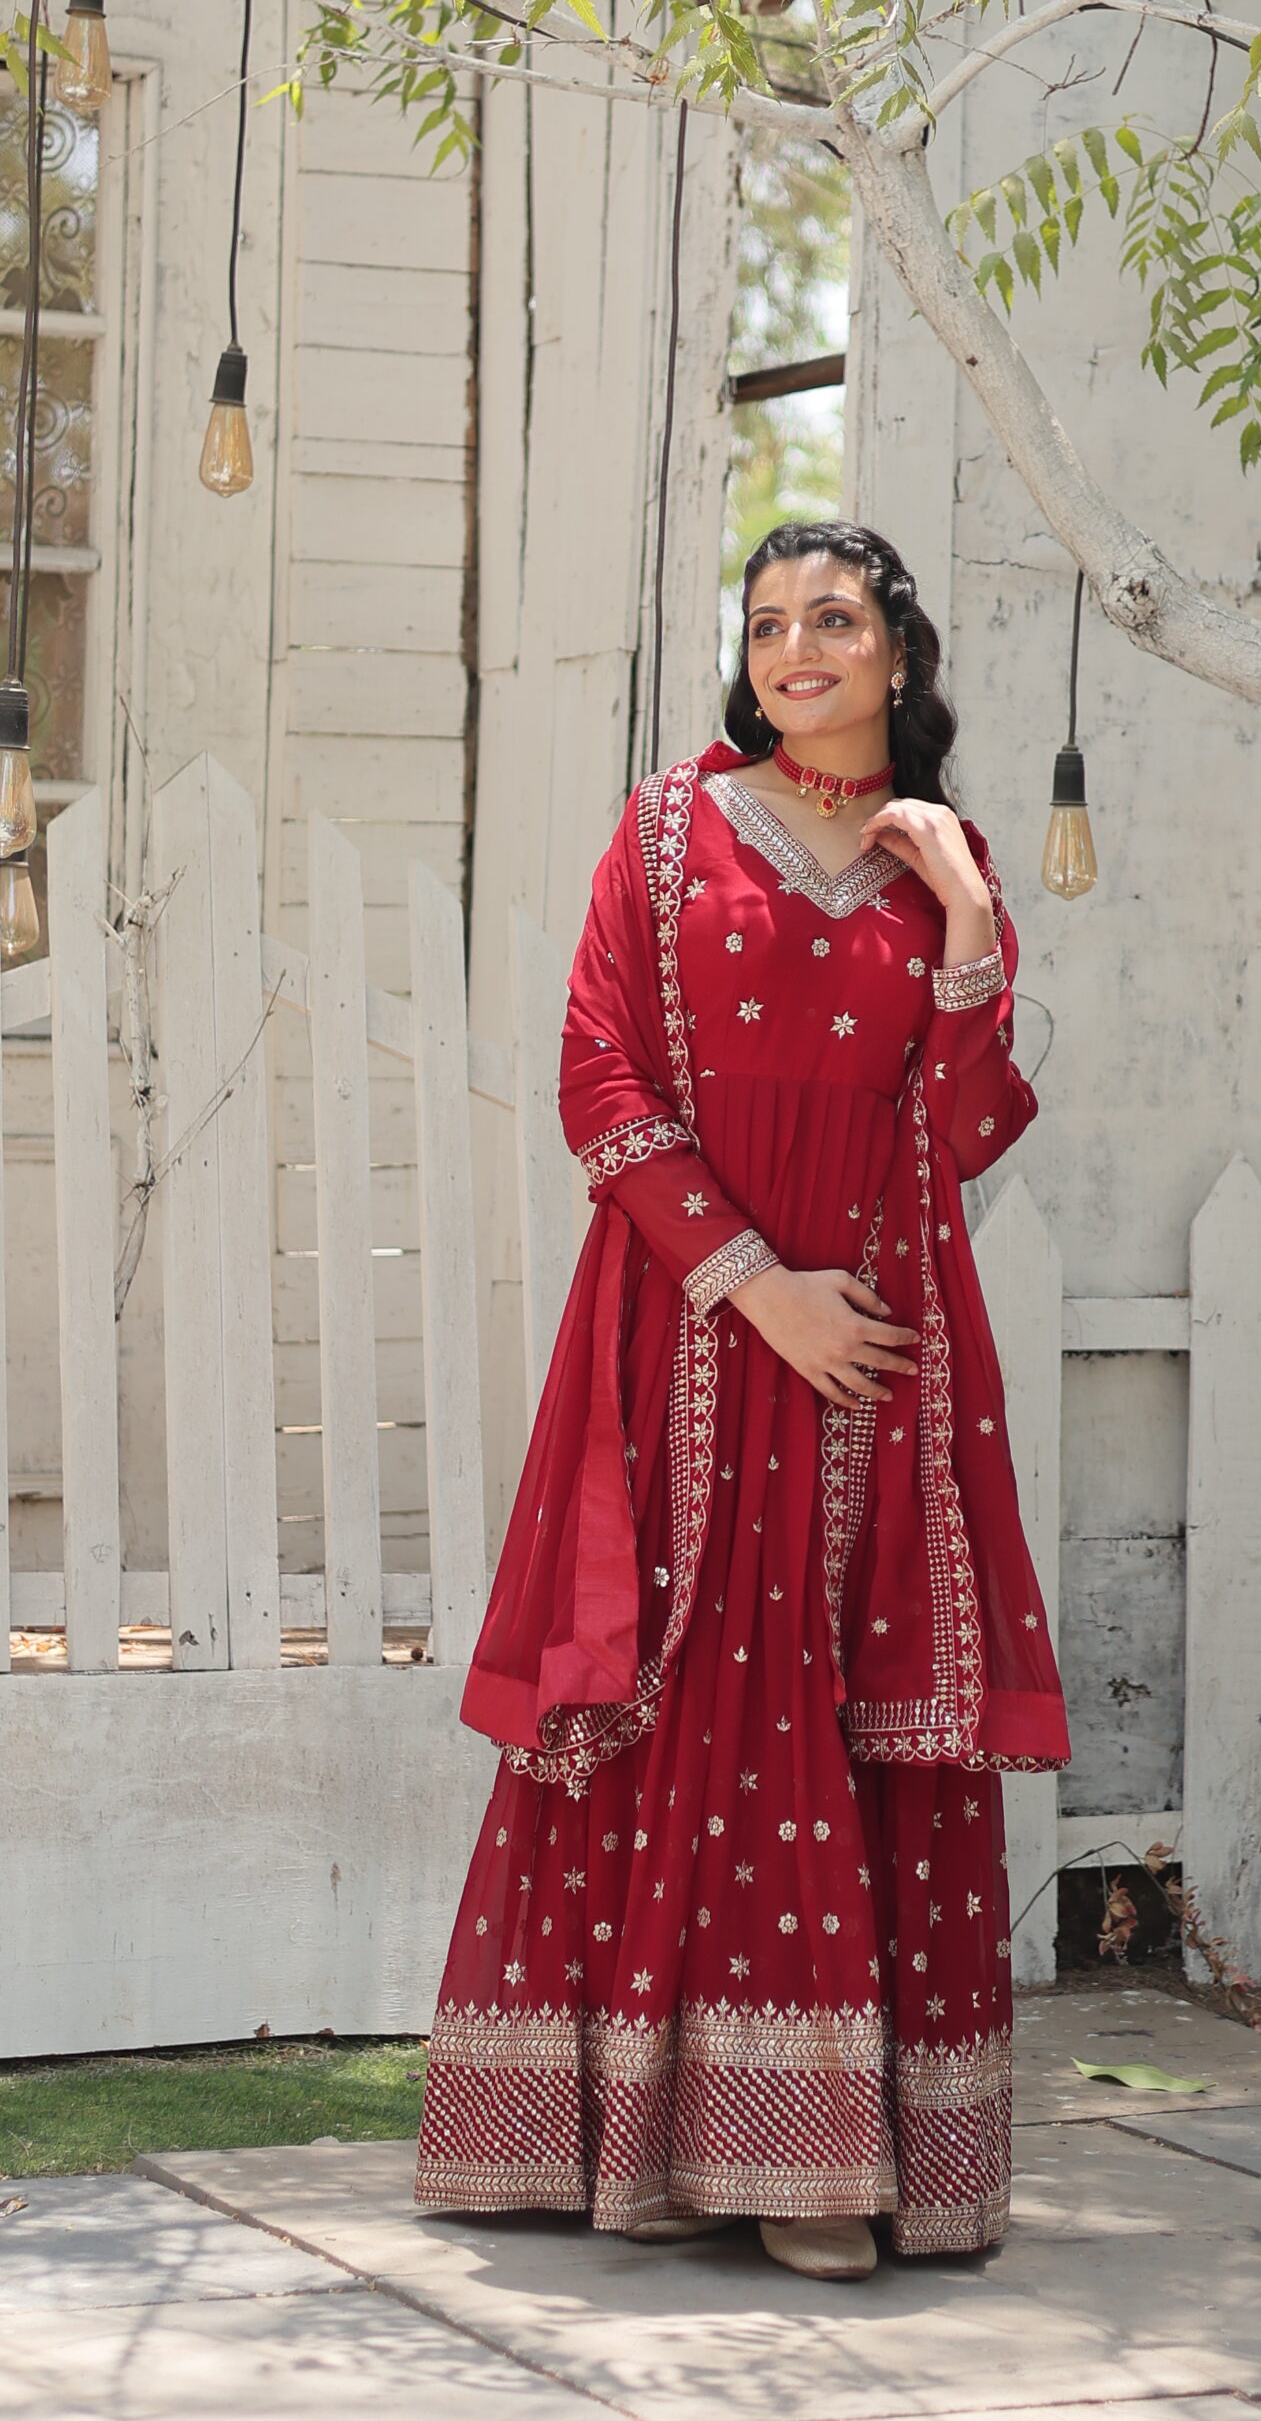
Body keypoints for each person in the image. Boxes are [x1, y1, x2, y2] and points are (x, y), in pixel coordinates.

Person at [414, 521, 1068, 2281]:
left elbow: (963, 1126)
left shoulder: (944, 860)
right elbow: (596, 1075)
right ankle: (657, 2141)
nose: (796, 649)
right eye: (770, 623)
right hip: (696, 1327)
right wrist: (751, 1283)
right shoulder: (666, 827)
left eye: (834, 621)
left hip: (878, 1341)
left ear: (898, 658)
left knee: (850, 1711)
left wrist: (976, 911)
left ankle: (838, 2153)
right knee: (696, 1687)